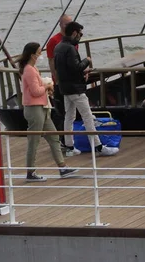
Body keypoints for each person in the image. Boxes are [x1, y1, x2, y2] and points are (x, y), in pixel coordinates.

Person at [54, 21, 118, 157]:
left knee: (69, 117)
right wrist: (87, 61)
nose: (80, 36)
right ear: (74, 33)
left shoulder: (58, 47)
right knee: (88, 117)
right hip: (76, 90)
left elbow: (64, 69)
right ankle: (99, 147)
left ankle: (70, 147)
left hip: (65, 88)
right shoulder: (70, 49)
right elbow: (76, 67)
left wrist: (81, 72)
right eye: (80, 33)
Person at [19, 42, 78, 181]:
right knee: (34, 140)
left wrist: (46, 88)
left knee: (54, 137)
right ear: (33, 55)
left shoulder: (33, 68)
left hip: (43, 108)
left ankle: (62, 167)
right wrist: (46, 86)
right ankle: (30, 172)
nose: (41, 55)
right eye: (39, 52)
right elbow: (35, 91)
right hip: (34, 109)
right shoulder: (29, 70)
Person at [46, 14, 74, 145]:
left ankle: (70, 139)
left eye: (71, 23)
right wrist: (56, 78)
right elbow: (51, 61)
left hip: (71, 81)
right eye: (66, 24)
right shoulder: (54, 41)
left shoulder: (73, 39)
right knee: (61, 111)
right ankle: (61, 139)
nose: (69, 26)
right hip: (60, 81)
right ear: (60, 25)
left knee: (71, 111)